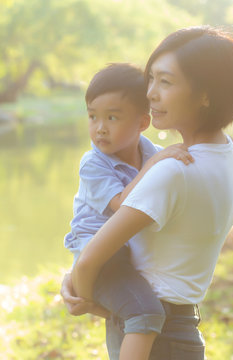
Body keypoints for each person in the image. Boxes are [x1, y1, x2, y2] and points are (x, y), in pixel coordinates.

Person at [62, 25, 233, 359]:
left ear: (205, 94)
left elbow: (91, 257)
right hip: (182, 327)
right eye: (151, 79)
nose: (150, 93)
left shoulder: (171, 169)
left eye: (165, 82)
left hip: (153, 333)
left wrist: (83, 291)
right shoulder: (229, 154)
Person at [64, 63, 194, 360]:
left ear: (142, 122)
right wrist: (155, 163)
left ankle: (101, 308)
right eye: (92, 116)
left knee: (132, 311)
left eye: (112, 117)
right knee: (146, 313)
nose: (100, 127)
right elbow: (123, 204)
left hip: (123, 253)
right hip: (96, 252)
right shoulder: (93, 163)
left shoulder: (149, 151)